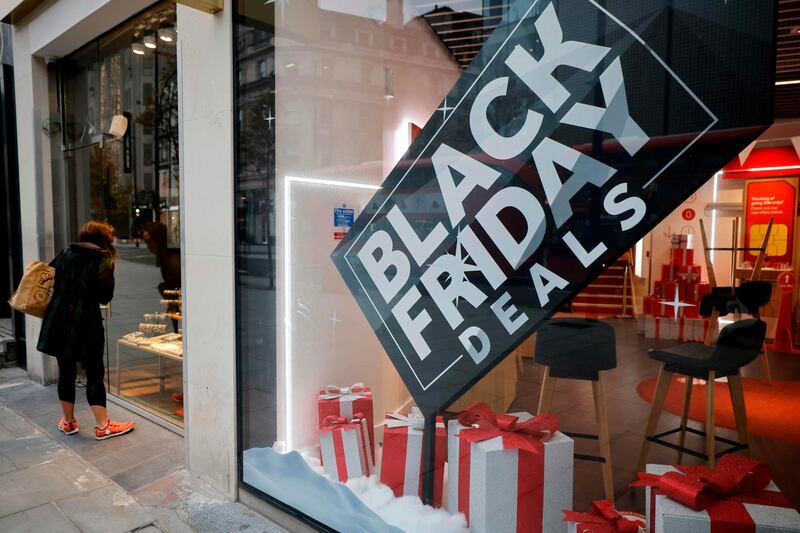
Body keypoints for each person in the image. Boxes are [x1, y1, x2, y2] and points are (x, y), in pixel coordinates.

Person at [37, 221, 135, 440]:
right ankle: (103, 426)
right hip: (85, 322)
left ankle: (69, 422)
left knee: (66, 371)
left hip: (59, 319)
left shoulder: (65, 253)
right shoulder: (103, 260)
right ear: (103, 239)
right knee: (94, 372)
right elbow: (104, 297)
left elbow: (49, 278)